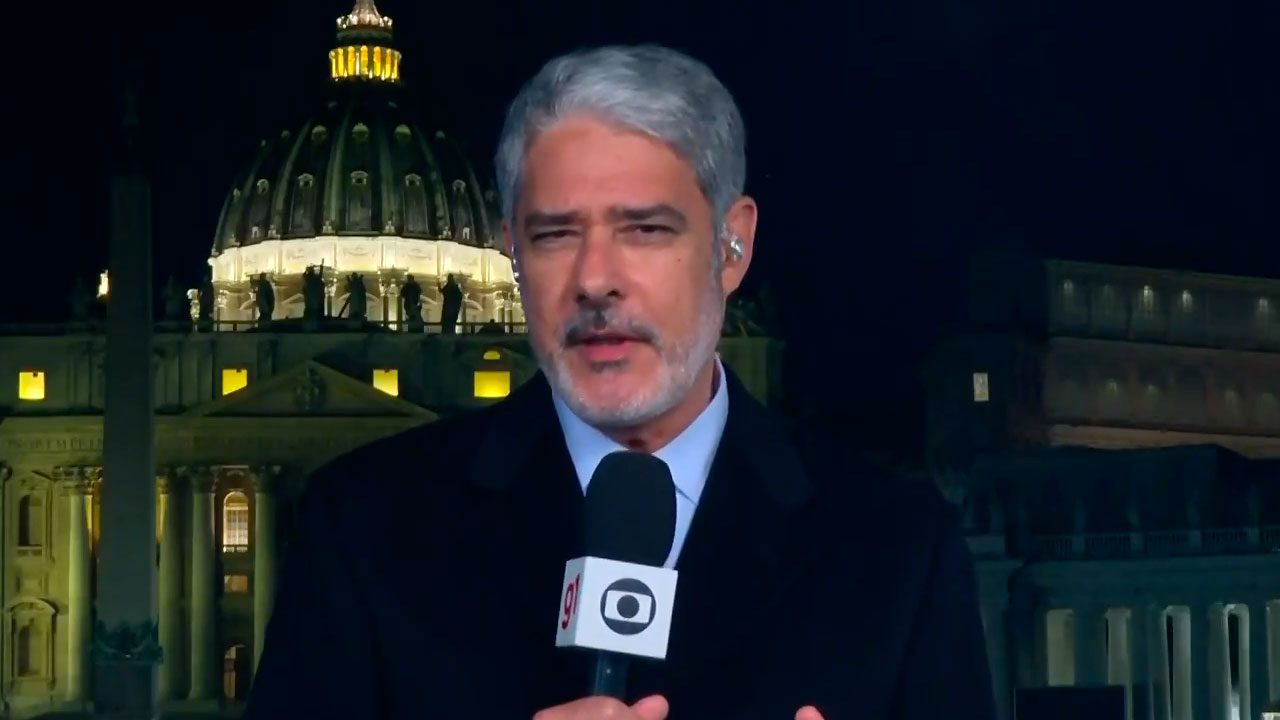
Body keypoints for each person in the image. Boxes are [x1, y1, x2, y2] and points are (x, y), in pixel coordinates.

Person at [244, 44, 996, 720]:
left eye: (645, 230)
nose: (595, 279)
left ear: (732, 248)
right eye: (556, 234)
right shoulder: (361, 530)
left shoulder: (899, 550)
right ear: (512, 257)